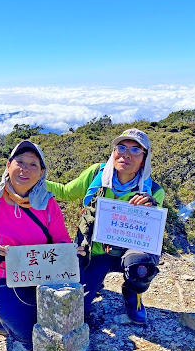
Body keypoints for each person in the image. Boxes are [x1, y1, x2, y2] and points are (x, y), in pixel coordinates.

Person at [46, 128, 165, 325]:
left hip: (129, 254)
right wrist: (31, 177)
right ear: (113, 152)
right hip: (95, 253)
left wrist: (151, 207)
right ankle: (96, 279)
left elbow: (151, 236)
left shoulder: (153, 191)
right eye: (121, 147)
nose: (126, 154)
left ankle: (132, 293)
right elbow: (65, 191)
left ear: (144, 158)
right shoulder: (96, 175)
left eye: (135, 150)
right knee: (76, 309)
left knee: (141, 267)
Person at [0, 140, 71, 348]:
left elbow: (61, 240)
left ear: (41, 173)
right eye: (20, 162)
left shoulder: (48, 204)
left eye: (33, 165)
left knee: (57, 325)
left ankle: (7, 313)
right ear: (8, 166)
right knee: (28, 336)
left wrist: (69, 252)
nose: (25, 169)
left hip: (37, 274)